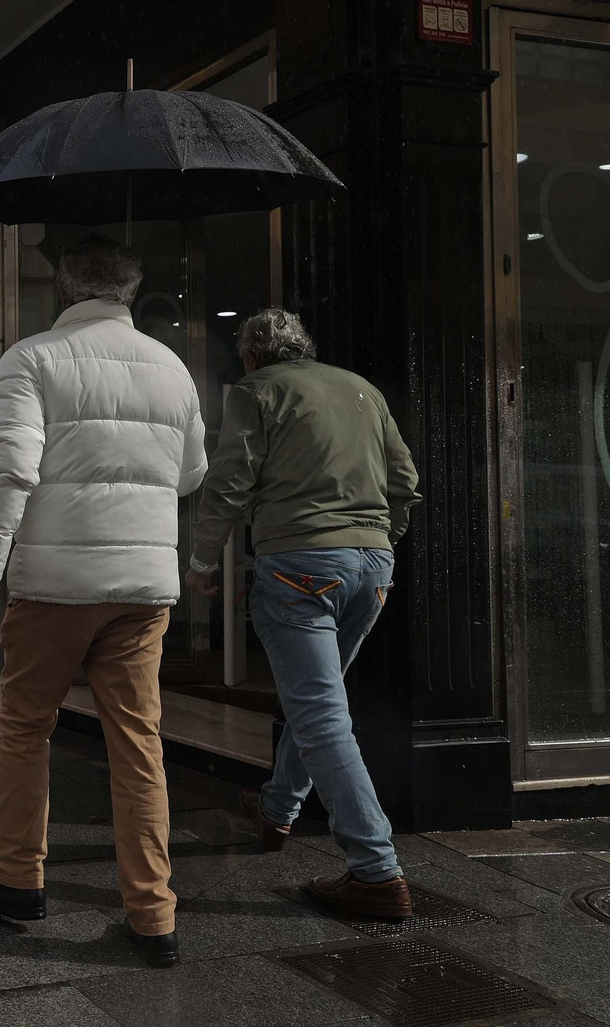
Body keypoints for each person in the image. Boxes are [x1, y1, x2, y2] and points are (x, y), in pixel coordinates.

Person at [0, 234, 207, 969]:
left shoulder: (32, 359)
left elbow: (9, 468)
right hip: (142, 589)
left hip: (52, 587)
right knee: (138, 744)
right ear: (128, 292)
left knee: (25, 728)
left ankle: (18, 880)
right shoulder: (173, 368)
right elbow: (190, 473)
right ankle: (154, 914)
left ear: (64, 291)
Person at [184, 308, 422, 920]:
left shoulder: (256, 390)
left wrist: (203, 559)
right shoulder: (362, 389)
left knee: (320, 714)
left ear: (250, 355)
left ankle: (376, 868)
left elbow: (231, 480)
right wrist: (381, 541)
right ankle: (279, 807)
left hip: (299, 566)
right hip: (371, 566)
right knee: (320, 700)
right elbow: (404, 478)